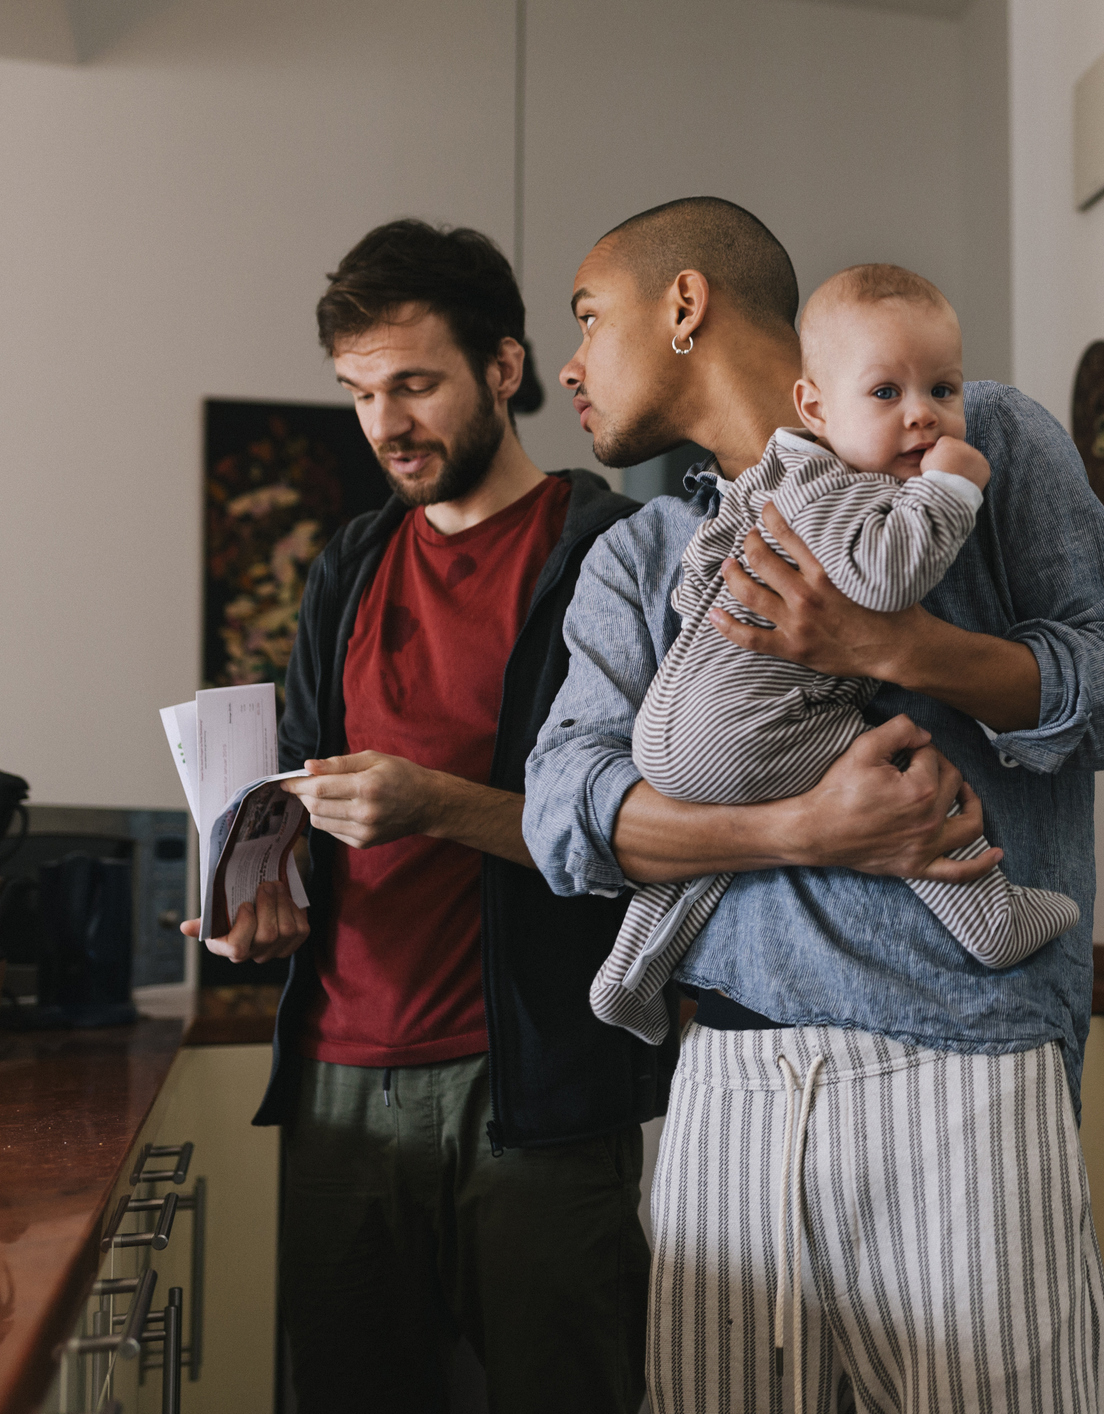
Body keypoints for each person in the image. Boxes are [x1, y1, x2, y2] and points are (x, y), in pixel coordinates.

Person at [523, 197, 1104, 1413]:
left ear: (682, 308)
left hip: (964, 1073)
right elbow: (563, 816)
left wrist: (900, 643)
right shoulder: (639, 553)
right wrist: (796, 829)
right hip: (725, 1087)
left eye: (586, 317)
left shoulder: (980, 447)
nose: (568, 362)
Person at [186, 219, 673, 1414]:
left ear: (504, 370)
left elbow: (648, 837)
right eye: (360, 393)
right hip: (339, 1087)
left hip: (540, 1088)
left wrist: (435, 805)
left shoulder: (606, 549)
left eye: (414, 384)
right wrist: (256, 903)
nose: (385, 425)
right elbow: (294, 816)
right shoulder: (346, 565)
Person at [590, 262, 1079, 1048]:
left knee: (725, 819)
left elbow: (698, 578)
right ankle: (988, 913)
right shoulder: (845, 491)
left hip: (673, 733)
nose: (924, 418)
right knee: (906, 778)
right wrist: (950, 492)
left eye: (944, 392)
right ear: (815, 407)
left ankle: (632, 964)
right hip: (746, 726)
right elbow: (886, 577)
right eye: (886, 394)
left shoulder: (778, 481)